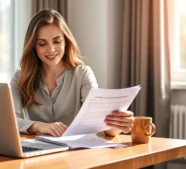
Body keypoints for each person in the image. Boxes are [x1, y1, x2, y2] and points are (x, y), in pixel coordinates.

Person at [10, 9, 134, 137]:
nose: (51, 49)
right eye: (42, 44)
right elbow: (9, 121)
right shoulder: (20, 78)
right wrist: (39, 126)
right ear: (33, 47)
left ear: (66, 42)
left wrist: (117, 125)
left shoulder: (83, 74)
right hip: (35, 154)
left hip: (75, 153)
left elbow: (98, 120)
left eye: (57, 41)